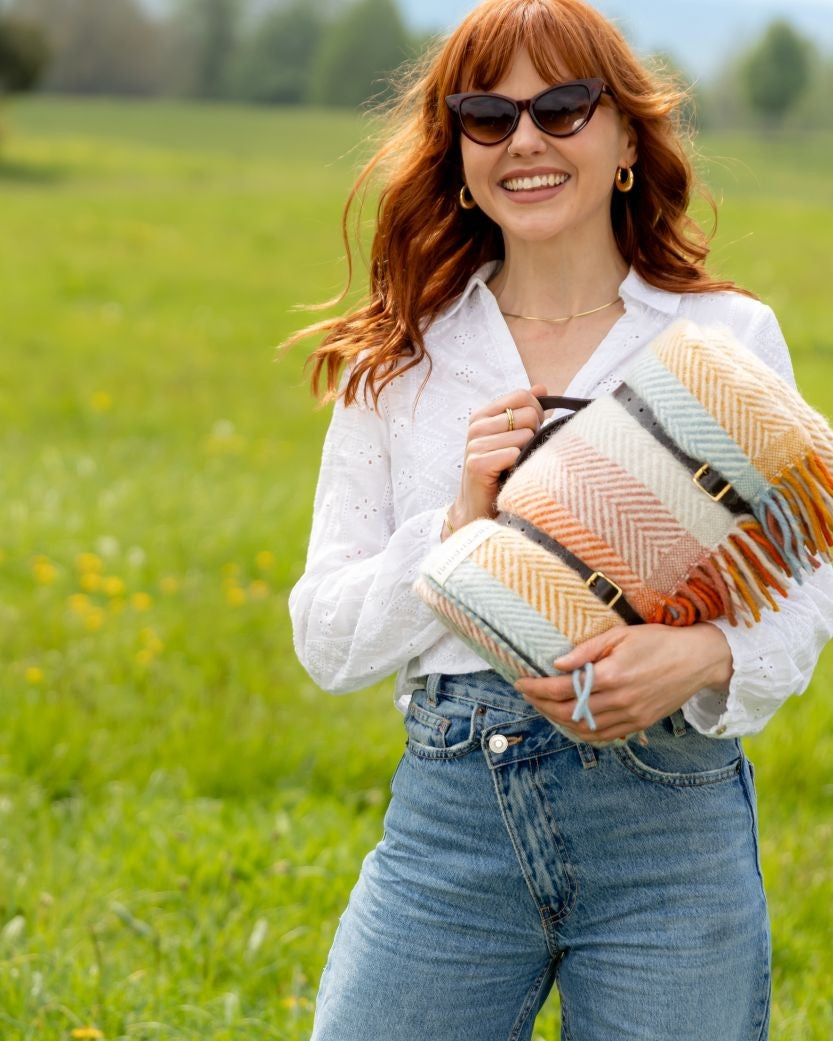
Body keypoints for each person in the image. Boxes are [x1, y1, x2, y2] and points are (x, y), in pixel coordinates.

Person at [287, 1, 833, 1037]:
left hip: (668, 834)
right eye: (488, 117)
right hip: (451, 828)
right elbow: (323, 635)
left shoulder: (722, 337)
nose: (525, 140)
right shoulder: (401, 363)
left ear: (626, 138)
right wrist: (457, 527)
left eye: (562, 108)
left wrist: (705, 655)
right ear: (458, 153)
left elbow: (811, 574)